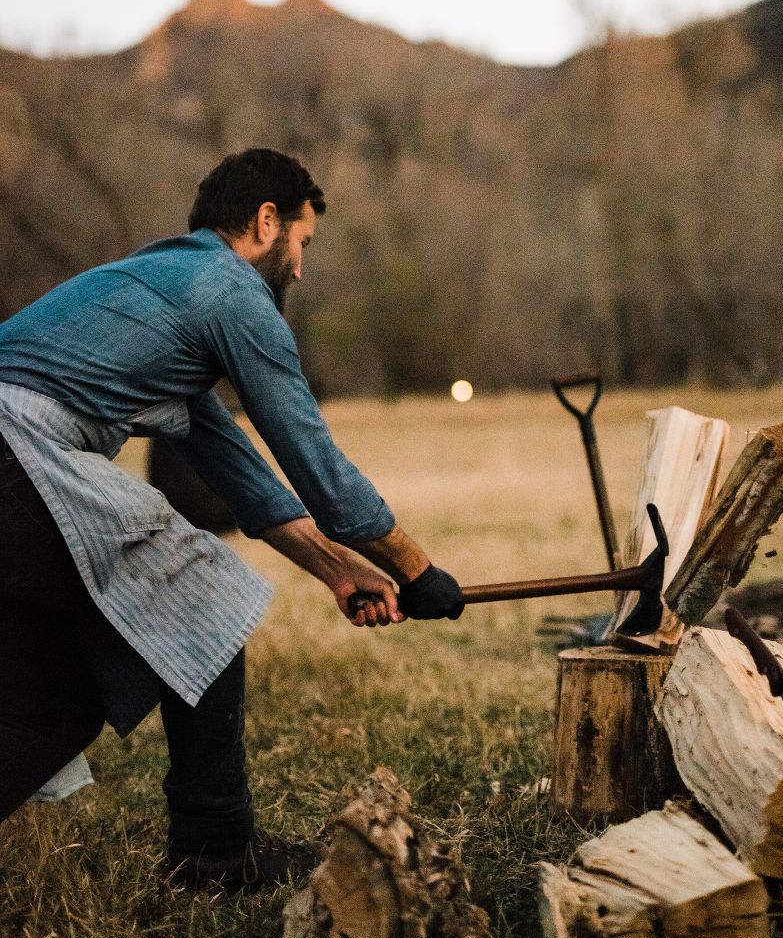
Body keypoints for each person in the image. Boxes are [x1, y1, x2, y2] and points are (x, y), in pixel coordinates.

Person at [0, 148, 465, 889]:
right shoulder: (230, 292)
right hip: (15, 449)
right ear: (267, 222)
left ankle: (210, 850)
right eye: (303, 245)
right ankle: (215, 853)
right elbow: (321, 473)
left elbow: (245, 477)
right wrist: (419, 569)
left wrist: (340, 572)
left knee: (50, 700)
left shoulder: (167, 292)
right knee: (208, 604)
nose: (301, 271)